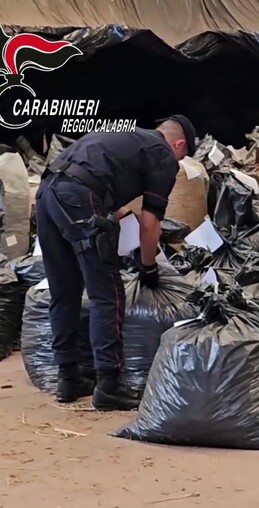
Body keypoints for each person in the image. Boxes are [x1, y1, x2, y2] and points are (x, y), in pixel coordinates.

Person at [35, 115, 196, 411]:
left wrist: (119, 219)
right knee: (107, 292)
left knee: (65, 290)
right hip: (78, 197)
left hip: (48, 194)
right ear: (179, 144)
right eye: (182, 156)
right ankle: (109, 385)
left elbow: (98, 182)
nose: (178, 162)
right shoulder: (163, 155)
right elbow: (151, 222)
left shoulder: (126, 137)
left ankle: (68, 378)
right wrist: (149, 267)